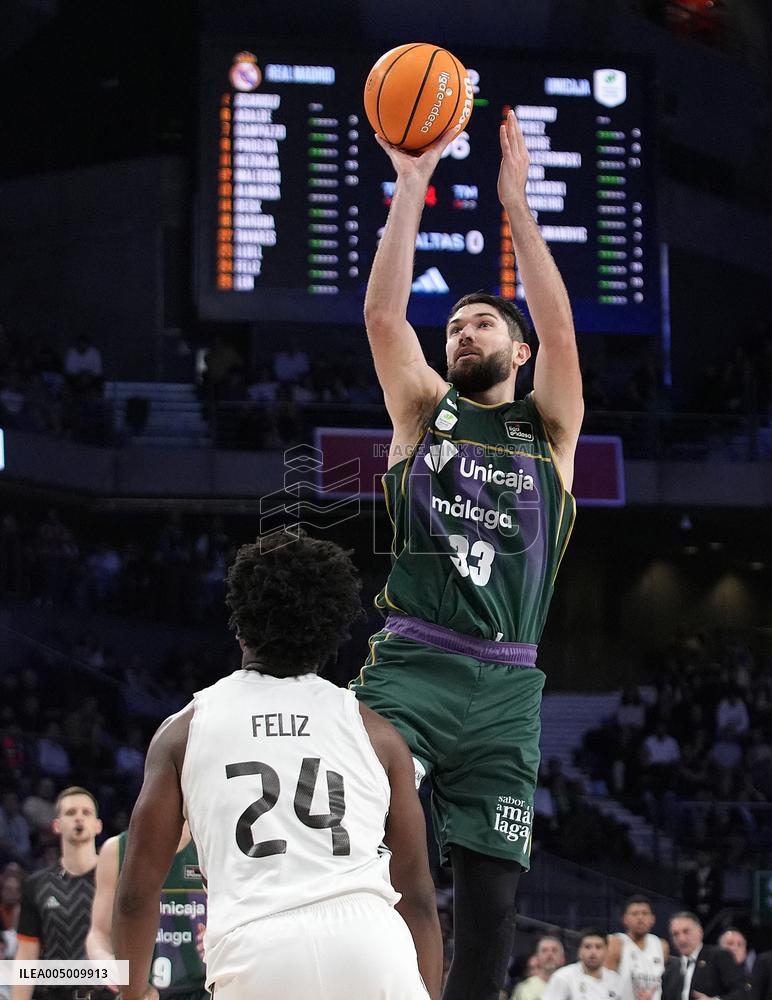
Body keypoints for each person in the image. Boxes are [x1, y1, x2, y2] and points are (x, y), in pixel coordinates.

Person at [349, 107, 583, 1000]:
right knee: (348, 842)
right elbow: (380, 312)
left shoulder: (550, 432)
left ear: (519, 351)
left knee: (490, 912)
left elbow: (564, 337)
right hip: (411, 663)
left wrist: (516, 208)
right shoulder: (421, 411)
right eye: (455, 327)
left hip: (509, 690)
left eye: (484, 325)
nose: (464, 335)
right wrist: (411, 185)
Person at [111, 530, 441, 1000]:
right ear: (330, 632)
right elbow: (420, 901)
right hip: (371, 945)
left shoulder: (184, 731)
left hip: (256, 949)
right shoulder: (379, 735)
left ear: (240, 624)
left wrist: (132, 992)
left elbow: (135, 896)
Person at [86, 821, 208, 998]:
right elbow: (98, 932)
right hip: (139, 992)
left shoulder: (210, 845)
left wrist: (218, 937)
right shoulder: (117, 848)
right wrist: (103, 960)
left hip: (201, 990)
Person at [12, 786, 106, 1000]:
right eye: (71, 813)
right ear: (57, 825)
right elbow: (27, 955)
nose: (79, 818)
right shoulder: (36, 884)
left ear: (98, 825)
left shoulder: (119, 881)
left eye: (86, 812)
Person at [662, 911, 747, 1000]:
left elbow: (740, 993)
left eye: (686, 932)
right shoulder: (671, 970)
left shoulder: (718, 956)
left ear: (700, 932)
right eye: (675, 934)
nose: (681, 939)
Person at [605, 896, 669, 1000]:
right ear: (625, 919)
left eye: (645, 913)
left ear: (653, 919)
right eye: (634, 914)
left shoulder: (661, 945)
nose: (640, 918)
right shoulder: (616, 942)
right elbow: (605, 983)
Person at [543, 929, 623, 1000]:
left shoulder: (615, 980)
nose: (593, 952)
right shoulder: (563, 977)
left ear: (606, 951)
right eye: (587, 947)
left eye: (598, 947)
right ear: (579, 951)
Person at [512, 936, 566, 1000]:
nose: (549, 954)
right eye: (544, 950)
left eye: (554, 950)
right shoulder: (524, 987)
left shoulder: (571, 986)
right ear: (537, 957)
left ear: (563, 958)